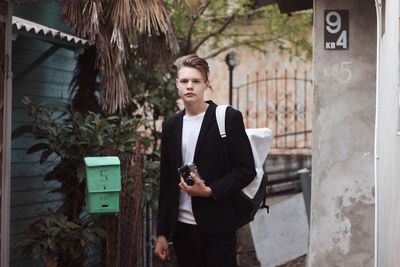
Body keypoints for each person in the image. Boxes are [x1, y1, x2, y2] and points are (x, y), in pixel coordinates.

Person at [154, 54, 256, 267]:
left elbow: (246, 170)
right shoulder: (171, 125)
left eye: (196, 81)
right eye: (184, 81)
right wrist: (162, 233)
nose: (189, 86)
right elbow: (166, 182)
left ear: (206, 84)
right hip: (181, 227)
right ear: (177, 85)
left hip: (218, 226)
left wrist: (210, 190)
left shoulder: (227, 118)